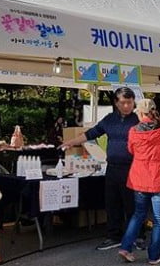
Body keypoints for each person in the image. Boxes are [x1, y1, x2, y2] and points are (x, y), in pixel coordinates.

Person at [59, 87, 143, 251]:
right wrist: (70, 142)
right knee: (112, 203)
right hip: (112, 167)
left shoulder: (138, 120)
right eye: (123, 102)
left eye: (130, 102)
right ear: (116, 103)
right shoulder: (109, 119)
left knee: (132, 204)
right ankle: (114, 236)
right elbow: (92, 133)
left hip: (133, 168)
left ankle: (137, 236)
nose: (127, 106)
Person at [118, 99, 160, 265]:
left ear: (139, 113)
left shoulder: (133, 131)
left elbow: (130, 150)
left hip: (139, 178)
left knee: (138, 214)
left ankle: (125, 247)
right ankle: (154, 256)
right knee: (159, 219)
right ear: (154, 112)